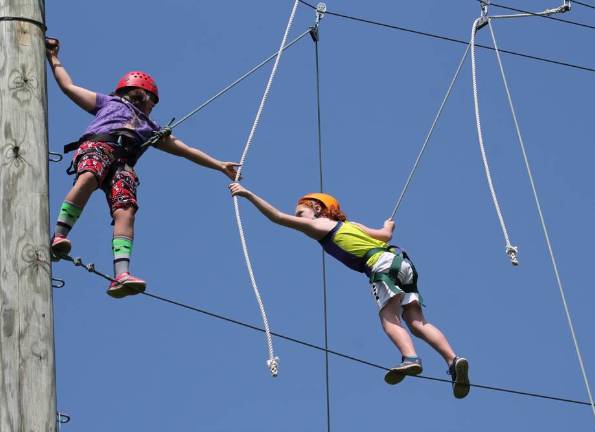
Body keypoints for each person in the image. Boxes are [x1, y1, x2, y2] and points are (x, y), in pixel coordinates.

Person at [228, 183, 470, 398]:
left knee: (389, 319)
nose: (298, 217)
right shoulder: (351, 224)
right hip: (402, 262)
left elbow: (277, 217)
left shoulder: (319, 226)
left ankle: (411, 358)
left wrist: (248, 194)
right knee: (417, 322)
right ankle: (452, 359)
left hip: (380, 266)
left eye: (301, 212)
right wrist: (388, 225)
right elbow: (385, 235)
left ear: (317, 208)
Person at [46, 37, 240, 299]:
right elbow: (68, 86)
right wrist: (54, 58)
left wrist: (219, 165)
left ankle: (121, 274)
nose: (152, 106)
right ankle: (59, 236)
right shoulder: (109, 103)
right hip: (100, 147)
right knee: (89, 177)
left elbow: (186, 150)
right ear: (143, 93)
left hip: (123, 165)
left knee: (125, 211)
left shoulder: (152, 128)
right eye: (152, 100)